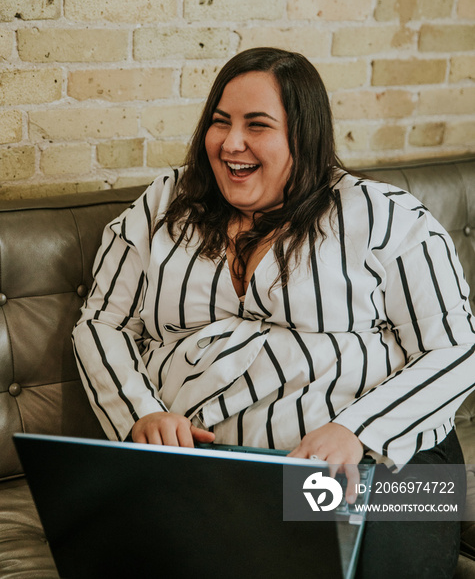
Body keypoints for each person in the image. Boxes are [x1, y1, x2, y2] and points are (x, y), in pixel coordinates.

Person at [73, 47, 474, 577]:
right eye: (221, 122)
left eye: (256, 125)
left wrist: (356, 430)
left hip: (387, 463)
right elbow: (102, 322)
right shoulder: (164, 206)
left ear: (302, 138)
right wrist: (139, 414)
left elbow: (456, 348)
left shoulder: (387, 217)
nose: (230, 143)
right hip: (219, 475)